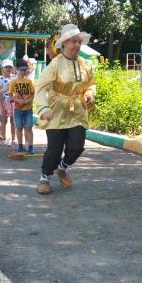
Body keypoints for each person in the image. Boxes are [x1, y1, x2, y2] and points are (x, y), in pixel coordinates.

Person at [35, 23, 96, 194]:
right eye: (73, 41)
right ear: (64, 43)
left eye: (79, 41)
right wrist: (44, 108)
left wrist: (89, 94)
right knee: (54, 148)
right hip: (56, 110)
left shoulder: (85, 64)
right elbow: (41, 88)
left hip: (77, 110)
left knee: (77, 146)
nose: (77, 45)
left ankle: (62, 167)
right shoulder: (55, 64)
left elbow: (91, 84)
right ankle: (45, 178)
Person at [9, 59, 35, 153]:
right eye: (21, 70)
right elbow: (10, 95)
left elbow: (32, 94)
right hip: (18, 109)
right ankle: (20, 146)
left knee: (28, 127)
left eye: (25, 70)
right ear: (17, 69)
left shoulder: (29, 81)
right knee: (19, 127)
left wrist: (27, 101)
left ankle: (30, 147)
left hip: (28, 109)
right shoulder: (13, 82)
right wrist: (18, 100)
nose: (23, 72)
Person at [0, 58, 16, 145]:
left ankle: (13, 138)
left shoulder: (14, 79)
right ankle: (2, 137)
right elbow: (0, 94)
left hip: (13, 102)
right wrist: (3, 105)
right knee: (4, 121)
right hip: (4, 102)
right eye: (6, 67)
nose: (8, 68)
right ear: (3, 68)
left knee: (13, 121)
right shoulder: (0, 79)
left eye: (10, 67)